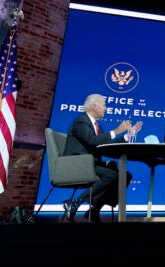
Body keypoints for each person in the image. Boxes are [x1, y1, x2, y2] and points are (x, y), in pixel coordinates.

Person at [61, 94, 142, 222]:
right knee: (111, 175)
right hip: (76, 164)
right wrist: (116, 131)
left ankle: (94, 209)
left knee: (125, 175)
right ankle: (76, 202)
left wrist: (128, 135)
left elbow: (105, 145)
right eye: (104, 105)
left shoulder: (98, 127)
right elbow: (91, 140)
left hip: (90, 164)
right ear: (94, 106)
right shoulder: (81, 122)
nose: (106, 108)